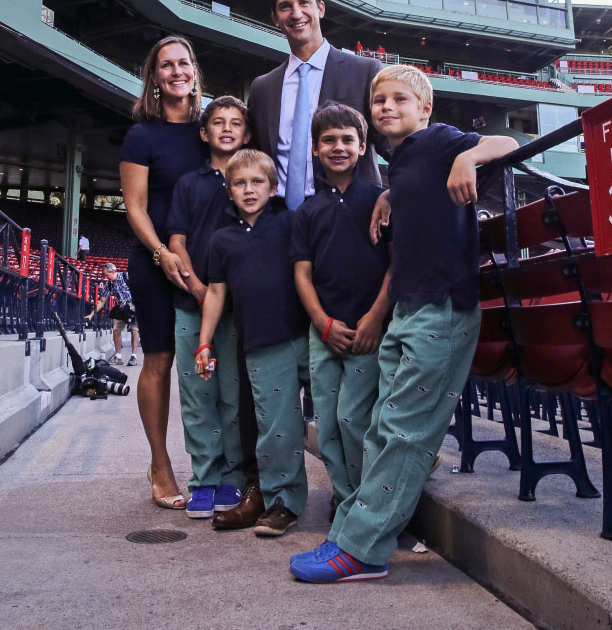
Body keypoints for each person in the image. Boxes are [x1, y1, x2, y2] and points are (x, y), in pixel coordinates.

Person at [290, 64, 518, 582]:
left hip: (441, 307)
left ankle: (363, 551)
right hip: (410, 309)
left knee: (401, 431)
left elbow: (505, 144)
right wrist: (394, 195)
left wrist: (469, 153)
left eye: (399, 99)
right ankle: (354, 531)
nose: (387, 106)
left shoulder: (440, 142)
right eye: (379, 101)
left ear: (425, 109)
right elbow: (420, 192)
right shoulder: (405, 160)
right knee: (381, 427)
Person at [196, 150, 309, 537]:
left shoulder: (291, 223)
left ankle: (351, 497)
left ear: (273, 187)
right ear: (229, 191)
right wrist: (205, 342)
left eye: (257, 182)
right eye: (239, 183)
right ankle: (282, 502)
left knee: (335, 418)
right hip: (262, 342)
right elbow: (215, 292)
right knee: (276, 428)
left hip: (307, 333)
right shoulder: (221, 240)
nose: (249, 189)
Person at [120, 35, 208, 510]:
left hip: (204, 265)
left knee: (211, 363)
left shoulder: (208, 130)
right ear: (154, 76)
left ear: (194, 70)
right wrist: (160, 253)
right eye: (167, 65)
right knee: (159, 361)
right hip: (156, 262)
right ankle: (160, 463)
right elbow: (134, 206)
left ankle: (217, 465)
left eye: (184, 63)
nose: (177, 71)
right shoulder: (143, 134)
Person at [290, 102, 391, 518]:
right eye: (328, 140)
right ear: (315, 148)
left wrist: (375, 318)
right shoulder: (307, 210)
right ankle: (345, 497)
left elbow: (394, 266)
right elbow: (301, 273)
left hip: (368, 329)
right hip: (325, 331)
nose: (338, 147)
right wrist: (322, 322)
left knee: (354, 419)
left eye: (347, 139)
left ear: (363, 145)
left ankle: (368, 500)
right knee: (327, 424)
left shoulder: (380, 201)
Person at [167, 96, 251, 519]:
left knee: (233, 394)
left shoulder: (253, 181)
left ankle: (233, 477)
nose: (226, 129)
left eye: (236, 123)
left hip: (237, 312)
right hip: (191, 306)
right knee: (199, 394)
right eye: (218, 123)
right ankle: (204, 478)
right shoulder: (189, 183)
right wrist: (200, 290)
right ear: (204, 133)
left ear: (247, 133)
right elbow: (177, 242)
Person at [248, 0, 387, 209]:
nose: (296, 14)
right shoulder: (262, 87)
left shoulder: (364, 71)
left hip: (349, 212)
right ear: (275, 18)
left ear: (320, 8)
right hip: (279, 215)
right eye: (285, 6)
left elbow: (391, 144)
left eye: (304, 3)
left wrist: (394, 192)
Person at [84, 262, 139, 366]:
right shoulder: (108, 284)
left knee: (134, 329)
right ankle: (118, 357)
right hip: (121, 308)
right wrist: (91, 315)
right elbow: (101, 301)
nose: (105, 278)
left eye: (106, 275)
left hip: (134, 306)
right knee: (116, 329)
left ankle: (134, 357)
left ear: (112, 272)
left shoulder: (126, 276)